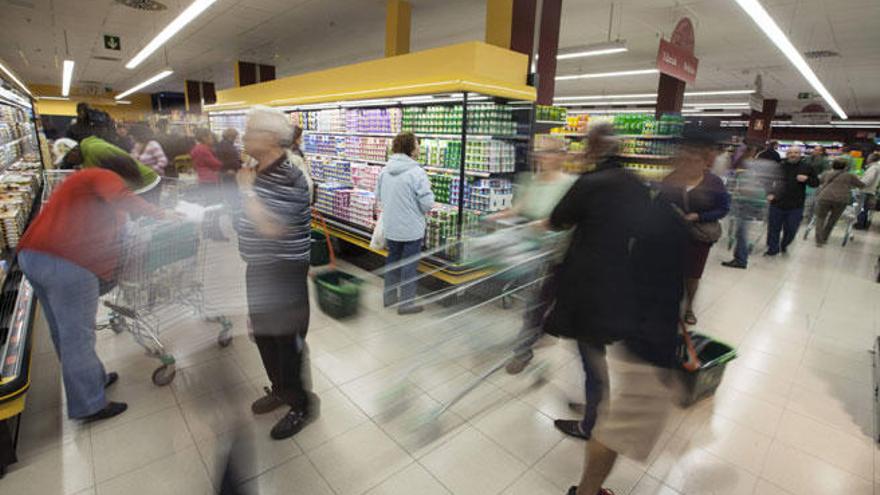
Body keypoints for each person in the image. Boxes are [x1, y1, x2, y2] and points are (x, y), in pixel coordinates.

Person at [543, 128, 688, 495]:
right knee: (596, 358)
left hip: (590, 291)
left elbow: (559, 218)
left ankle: (593, 419)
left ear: (593, 148)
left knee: (592, 358)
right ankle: (595, 409)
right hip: (623, 292)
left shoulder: (591, 182)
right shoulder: (639, 185)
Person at [17, 154, 167, 421]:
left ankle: (92, 380)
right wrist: (163, 215)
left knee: (63, 333)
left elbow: (113, 227)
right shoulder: (101, 176)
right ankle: (90, 405)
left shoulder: (82, 185)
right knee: (77, 336)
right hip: (66, 263)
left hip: (34, 256)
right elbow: (121, 198)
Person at [235, 106, 315, 440]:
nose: (244, 135)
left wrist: (246, 192)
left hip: (284, 272)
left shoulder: (292, 175)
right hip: (259, 269)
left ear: (269, 138)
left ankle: (302, 405)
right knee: (265, 335)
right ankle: (281, 389)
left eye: (250, 129)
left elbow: (271, 227)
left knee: (288, 341)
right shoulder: (256, 171)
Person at [492, 138, 576, 374]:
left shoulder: (570, 185)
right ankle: (535, 336)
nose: (541, 156)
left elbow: (572, 219)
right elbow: (517, 209)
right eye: (539, 152)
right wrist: (496, 217)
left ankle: (523, 350)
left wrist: (547, 224)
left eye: (548, 152)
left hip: (554, 255)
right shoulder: (529, 180)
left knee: (535, 305)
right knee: (535, 303)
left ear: (561, 156)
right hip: (527, 251)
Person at [659, 131, 730, 325]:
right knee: (671, 271)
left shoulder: (714, 183)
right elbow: (660, 202)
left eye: (694, 160)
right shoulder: (672, 179)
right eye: (686, 160)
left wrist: (699, 216)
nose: (689, 164)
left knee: (692, 274)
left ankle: (689, 307)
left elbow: (723, 208)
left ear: (704, 162)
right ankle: (670, 304)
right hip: (673, 234)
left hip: (699, 236)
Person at [375, 131, 435, 315]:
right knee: (409, 266)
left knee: (392, 261)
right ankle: (406, 304)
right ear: (410, 148)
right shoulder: (417, 173)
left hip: (392, 227)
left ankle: (389, 297)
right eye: (417, 144)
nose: (419, 148)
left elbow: (379, 196)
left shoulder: (385, 170)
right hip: (411, 229)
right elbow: (427, 204)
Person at [721, 145, 779, 269]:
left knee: (741, 231)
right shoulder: (770, 169)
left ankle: (741, 259)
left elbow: (743, 187)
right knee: (742, 231)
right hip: (757, 203)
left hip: (746, 203)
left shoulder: (751, 166)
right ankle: (740, 257)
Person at [765, 147, 819, 256]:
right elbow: (768, 180)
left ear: (800, 154)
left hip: (796, 205)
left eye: (795, 153)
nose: (792, 155)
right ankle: (772, 249)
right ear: (786, 154)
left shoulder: (807, 167)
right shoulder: (780, 166)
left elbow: (816, 183)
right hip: (777, 202)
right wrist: (769, 193)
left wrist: (807, 179)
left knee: (791, 229)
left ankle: (784, 244)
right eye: (790, 153)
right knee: (773, 228)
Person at [814, 157, 865, 245]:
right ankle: (824, 238)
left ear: (833, 165)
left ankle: (818, 240)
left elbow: (820, 181)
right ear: (846, 167)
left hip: (825, 197)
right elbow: (861, 185)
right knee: (832, 220)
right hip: (841, 200)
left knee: (820, 218)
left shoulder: (826, 173)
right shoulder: (850, 176)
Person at [190, 128, 228, 241]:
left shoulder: (196, 148)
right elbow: (215, 164)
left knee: (209, 207)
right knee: (215, 208)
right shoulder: (203, 149)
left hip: (203, 180)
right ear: (204, 137)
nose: (212, 139)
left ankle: (208, 232)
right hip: (210, 180)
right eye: (210, 137)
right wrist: (222, 163)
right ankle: (216, 234)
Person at [215, 128, 243, 207]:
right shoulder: (226, 145)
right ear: (230, 136)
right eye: (235, 136)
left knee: (231, 190)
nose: (236, 138)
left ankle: (233, 205)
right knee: (232, 191)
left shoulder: (223, 144)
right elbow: (228, 160)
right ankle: (234, 207)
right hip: (228, 172)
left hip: (227, 171)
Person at [855, 152, 880, 229]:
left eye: (869, 157)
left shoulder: (873, 168)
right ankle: (864, 224)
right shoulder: (876, 167)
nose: (867, 158)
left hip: (866, 190)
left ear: (872, 159)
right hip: (870, 190)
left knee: (862, 208)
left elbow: (868, 180)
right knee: (865, 208)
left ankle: (860, 224)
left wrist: (859, 183)